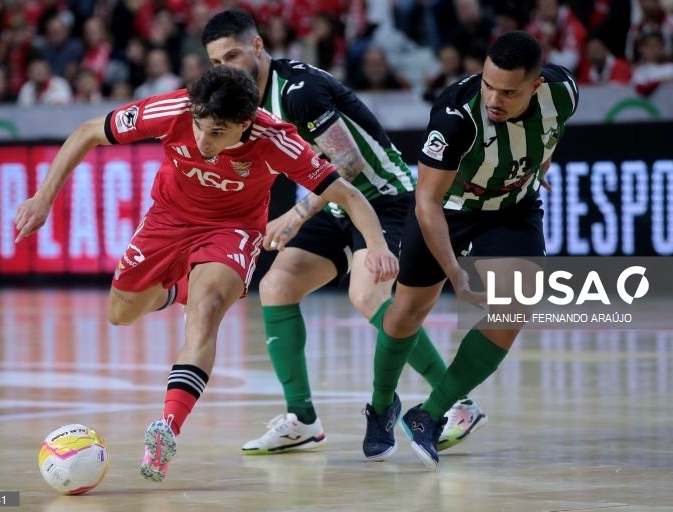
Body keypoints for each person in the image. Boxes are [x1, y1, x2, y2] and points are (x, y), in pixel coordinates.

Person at [13, 65, 399, 482]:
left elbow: (348, 192)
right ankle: (177, 290)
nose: (202, 141)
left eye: (216, 132)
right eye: (199, 127)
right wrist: (42, 197)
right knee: (120, 314)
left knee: (209, 308)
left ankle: (168, 430)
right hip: (168, 219)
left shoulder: (277, 140)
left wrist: (376, 245)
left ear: (245, 124)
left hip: (231, 230)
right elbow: (89, 129)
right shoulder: (175, 109)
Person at [202, 9, 486, 460]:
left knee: (367, 295)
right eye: (218, 62)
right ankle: (302, 420)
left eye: (234, 55)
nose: (226, 68)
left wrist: (295, 215)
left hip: (385, 196)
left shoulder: (299, 91)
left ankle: (459, 404)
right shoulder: (243, 105)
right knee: (277, 286)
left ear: (257, 47)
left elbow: (348, 166)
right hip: (336, 204)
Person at [365, 30, 579, 469]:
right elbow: (426, 201)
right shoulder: (454, 114)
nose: (494, 98)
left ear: (536, 86)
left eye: (508, 91)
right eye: (488, 84)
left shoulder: (564, 92)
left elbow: (549, 133)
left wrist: (539, 167)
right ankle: (381, 404)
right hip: (448, 207)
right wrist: (455, 273)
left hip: (512, 208)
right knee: (407, 310)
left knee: (516, 305)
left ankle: (429, 414)